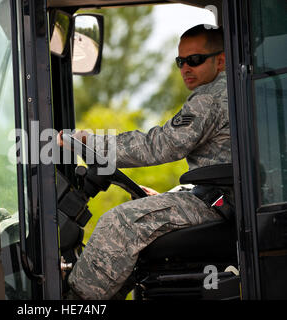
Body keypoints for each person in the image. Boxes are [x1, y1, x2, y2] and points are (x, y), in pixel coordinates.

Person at [57, 24, 230, 299]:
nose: (185, 68)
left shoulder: (211, 99)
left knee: (119, 224)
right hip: (218, 199)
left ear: (220, 60)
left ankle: (73, 303)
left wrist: (92, 143)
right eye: (180, 61)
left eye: (195, 60)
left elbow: (160, 146)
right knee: (136, 220)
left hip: (218, 202)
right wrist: (170, 196)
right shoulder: (229, 93)